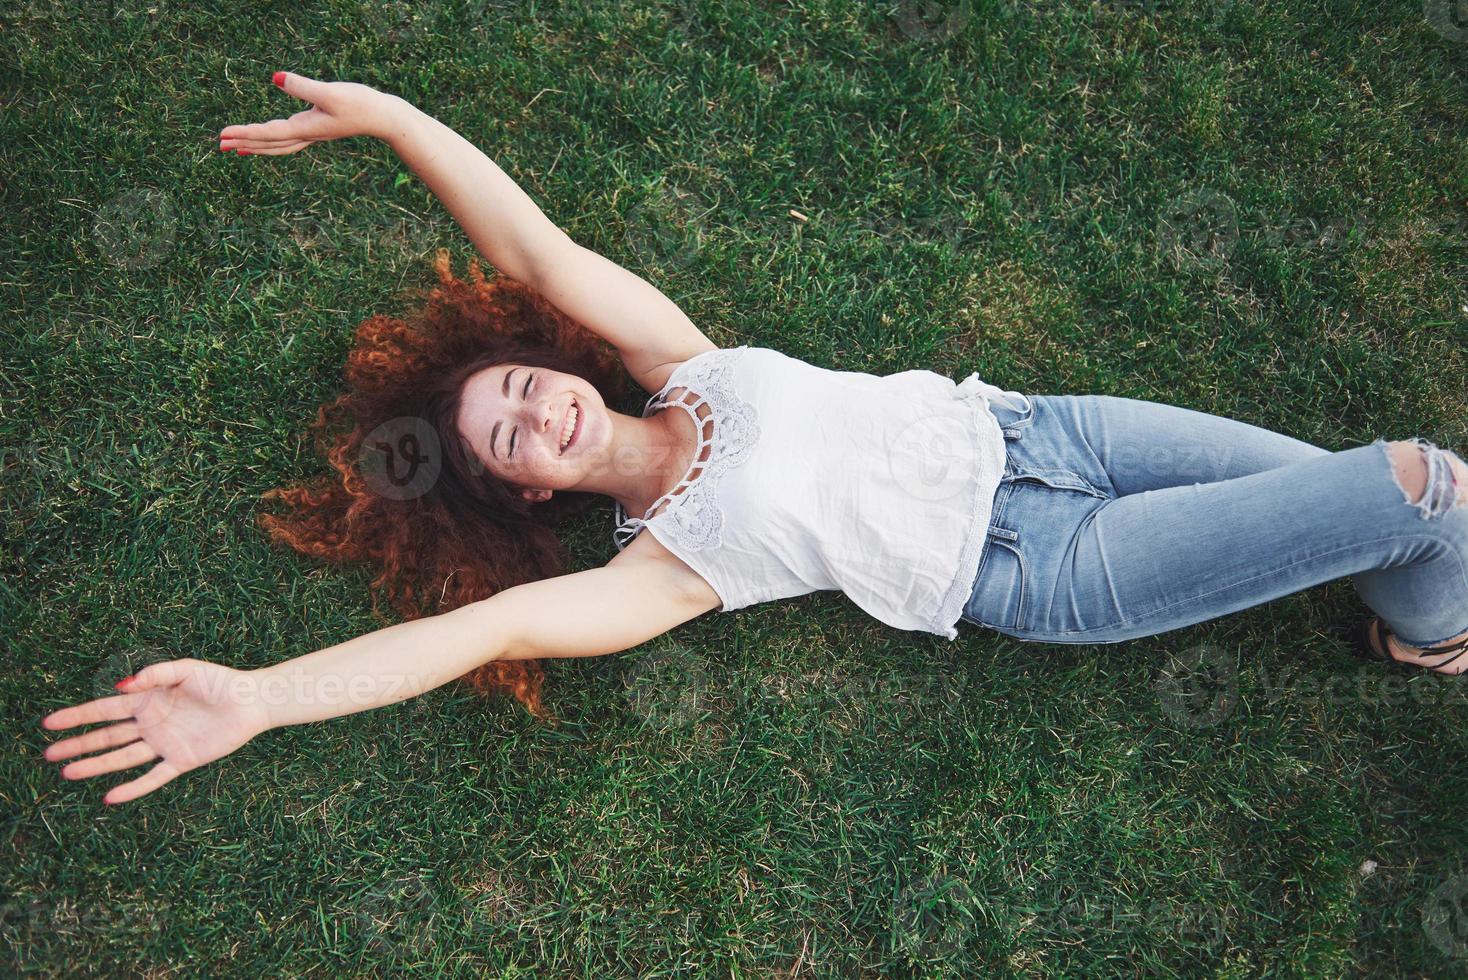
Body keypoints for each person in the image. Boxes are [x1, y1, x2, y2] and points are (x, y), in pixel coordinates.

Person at [39, 73, 1468, 806]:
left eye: (524, 386)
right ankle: (1434, 611)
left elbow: (531, 245)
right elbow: (466, 643)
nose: (538, 409)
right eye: (510, 437)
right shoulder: (660, 572)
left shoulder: (688, 365)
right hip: (1047, 561)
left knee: (1405, 513)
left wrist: (403, 123)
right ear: (516, 489)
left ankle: (1425, 635)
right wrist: (260, 701)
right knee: (1416, 483)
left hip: (1054, 430)